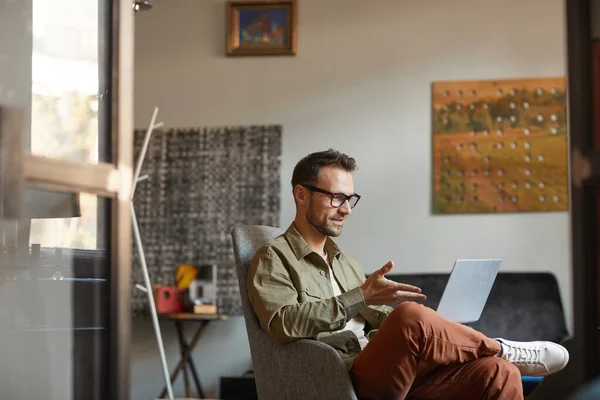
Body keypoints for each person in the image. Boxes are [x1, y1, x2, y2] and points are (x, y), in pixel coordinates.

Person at [247, 149, 569, 400]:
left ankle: (496, 354)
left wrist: (434, 330)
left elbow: (373, 316)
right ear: (301, 195)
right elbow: (280, 324)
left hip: (398, 374)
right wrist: (366, 298)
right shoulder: (273, 257)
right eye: (336, 198)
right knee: (410, 316)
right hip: (345, 376)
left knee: (499, 374)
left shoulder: (344, 261)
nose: (346, 209)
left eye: (350, 199)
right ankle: (500, 346)